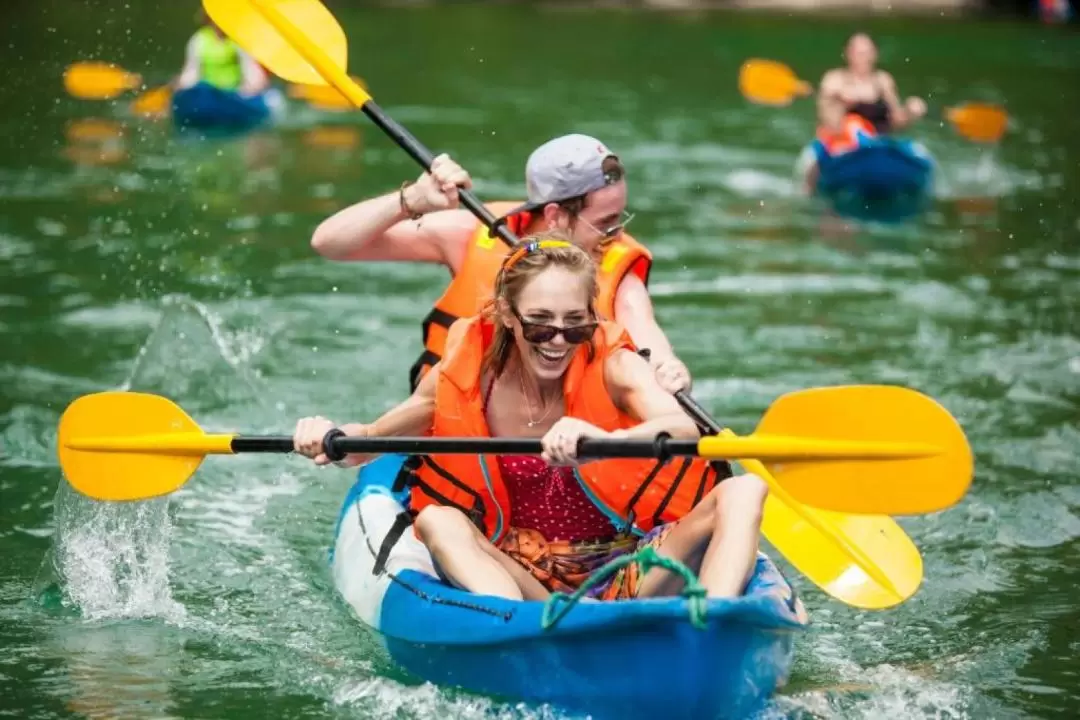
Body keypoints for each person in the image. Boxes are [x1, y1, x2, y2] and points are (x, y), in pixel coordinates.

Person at [292, 239, 766, 602]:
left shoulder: (614, 365)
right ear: (507, 315)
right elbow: (372, 440)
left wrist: (601, 436)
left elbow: (680, 426)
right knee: (438, 519)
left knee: (744, 489)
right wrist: (327, 436)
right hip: (523, 581)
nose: (558, 340)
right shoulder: (466, 377)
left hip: (629, 566)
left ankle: (717, 622)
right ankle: (522, 637)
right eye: (540, 323)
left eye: (574, 324)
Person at [310, 133, 692, 395]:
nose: (617, 232)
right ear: (556, 214)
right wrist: (411, 199)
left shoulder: (618, 269)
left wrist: (668, 368)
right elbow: (331, 243)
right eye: (605, 221)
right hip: (451, 427)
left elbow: (646, 334)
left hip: (550, 444)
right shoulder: (475, 233)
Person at [815, 33, 927, 155]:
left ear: (875, 54)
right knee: (852, 123)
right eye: (858, 53)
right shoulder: (834, 80)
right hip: (842, 143)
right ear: (847, 53)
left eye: (867, 53)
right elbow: (825, 119)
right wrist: (844, 104)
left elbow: (896, 120)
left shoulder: (883, 81)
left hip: (877, 143)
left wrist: (909, 112)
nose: (862, 58)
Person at [176, 10, 270, 96]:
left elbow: (250, 69)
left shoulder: (237, 39)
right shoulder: (199, 39)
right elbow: (191, 72)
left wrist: (253, 86)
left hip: (233, 91)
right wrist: (183, 87)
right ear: (209, 19)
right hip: (207, 90)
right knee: (201, 89)